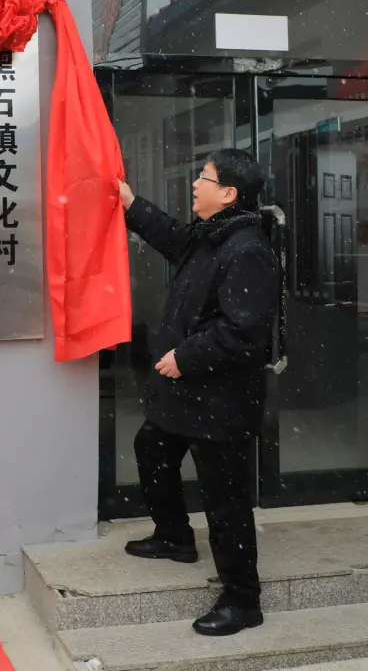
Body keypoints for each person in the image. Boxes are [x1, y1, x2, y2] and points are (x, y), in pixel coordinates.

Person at [118, 148, 280, 637]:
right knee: (152, 448)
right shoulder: (212, 235)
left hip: (220, 399)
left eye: (203, 178)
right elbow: (172, 238)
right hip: (189, 393)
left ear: (228, 194)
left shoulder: (247, 250)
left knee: (225, 499)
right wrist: (131, 205)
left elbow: (242, 333)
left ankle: (242, 600)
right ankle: (174, 537)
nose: (194, 184)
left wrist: (185, 357)